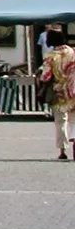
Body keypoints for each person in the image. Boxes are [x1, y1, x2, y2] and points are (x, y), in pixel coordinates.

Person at [43, 33, 75, 161]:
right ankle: (74, 140)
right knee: (74, 119)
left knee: (61, 121)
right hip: (73, 89)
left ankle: (62, 150)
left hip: (59, 92)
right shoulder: (72, 52)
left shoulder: (50, 56)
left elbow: (45, 76)